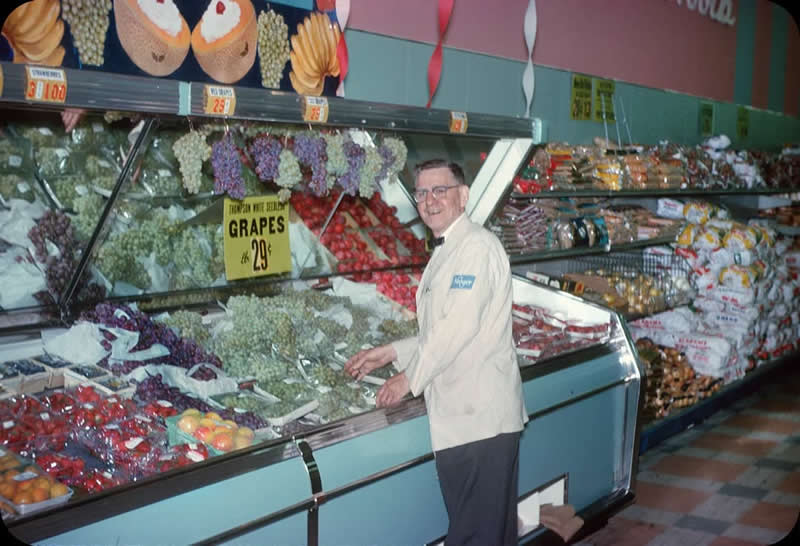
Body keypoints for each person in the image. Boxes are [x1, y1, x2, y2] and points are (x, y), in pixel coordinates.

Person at [344, 159, 528, 545]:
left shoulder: (475, 247)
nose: (429, 201)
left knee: (476, 535)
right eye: (423, 193)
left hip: (480, 422)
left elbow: (456, 326)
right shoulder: (451, 248)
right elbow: (446, 328)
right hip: (466, 419)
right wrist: (391, 351)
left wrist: (408, 378)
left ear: (463, 196)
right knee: (486, 533)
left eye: (439, 190)